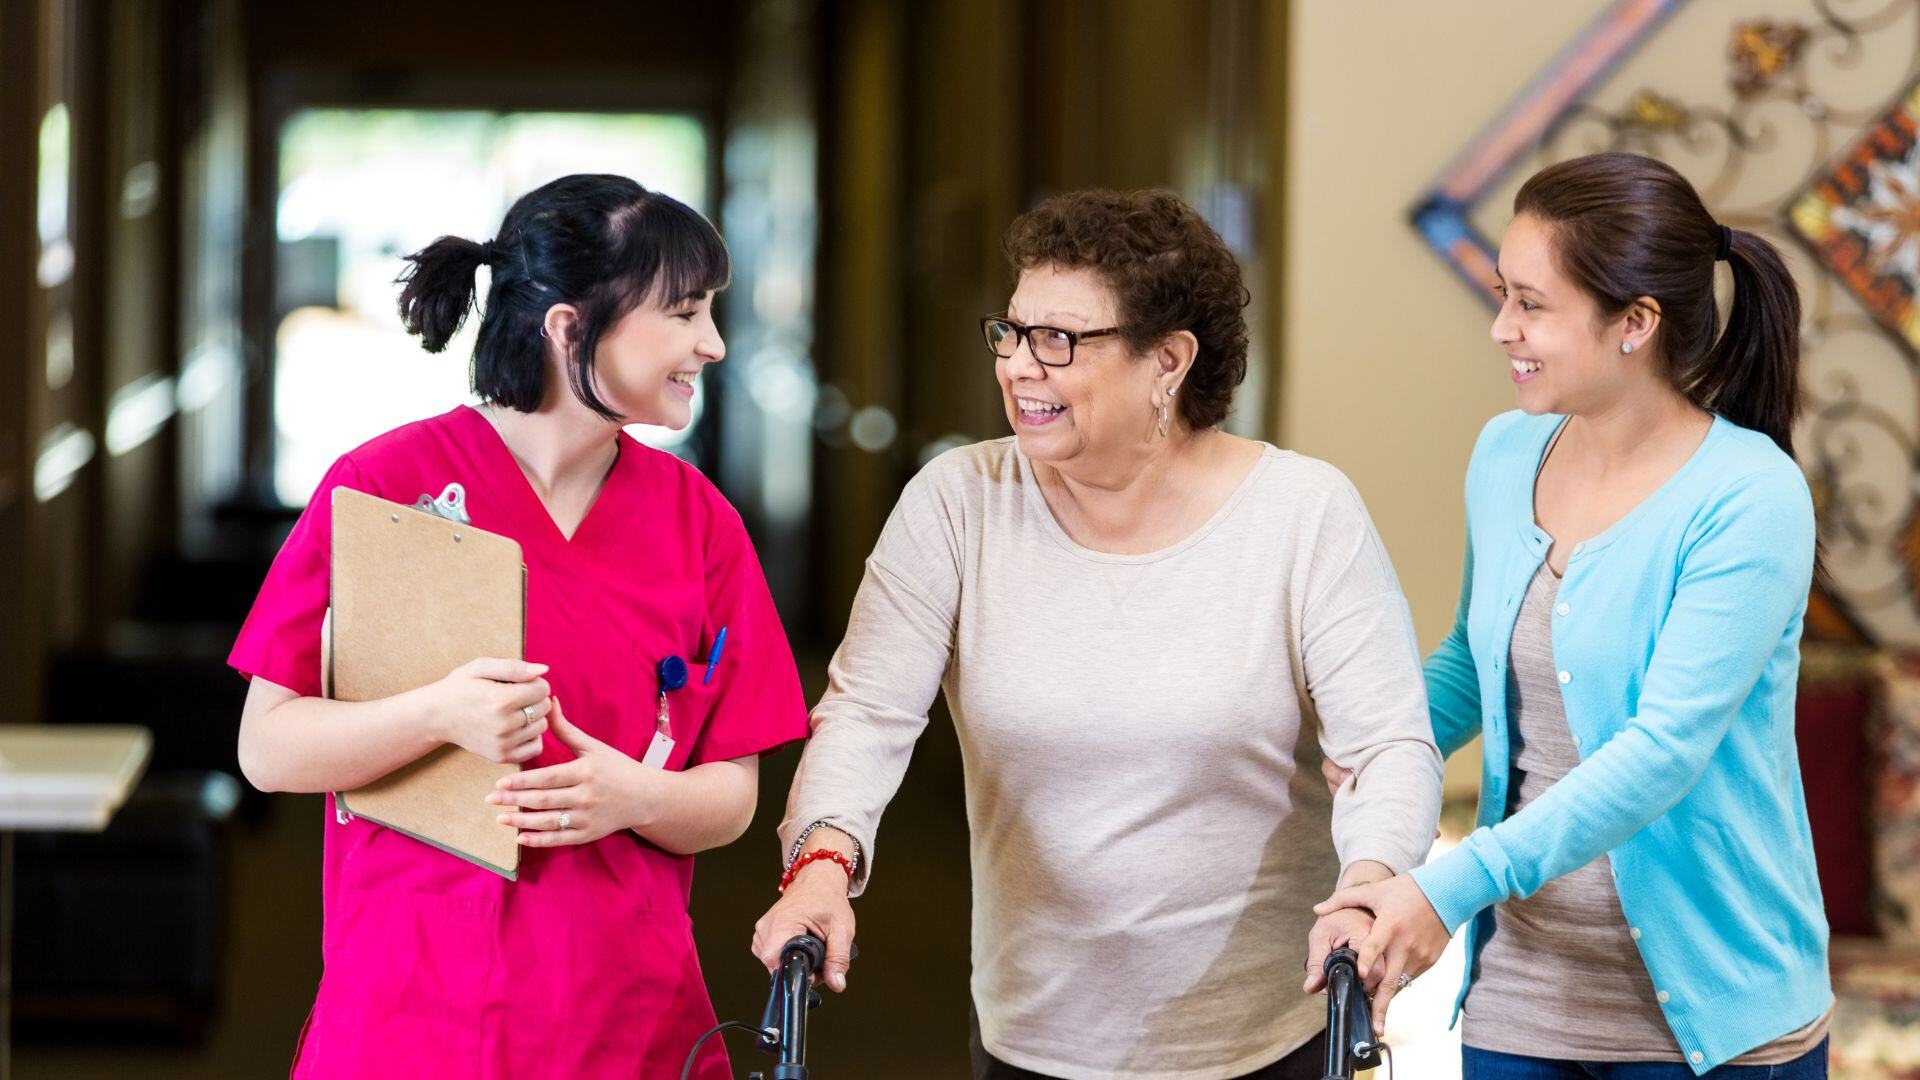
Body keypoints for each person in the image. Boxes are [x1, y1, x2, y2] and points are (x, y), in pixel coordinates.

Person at [751, 188, 1444, 1080]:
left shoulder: (1302, 514)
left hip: (1264, 1037)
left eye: (1060, 341)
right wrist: (821, 866)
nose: (1020, 367)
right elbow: (867, 714)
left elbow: (1388, 742)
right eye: (1012, 331)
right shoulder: (959, 503)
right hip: (1035, 1035)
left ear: (1169, 360)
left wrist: (1371, 883)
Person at [230, 174, 808, 1079]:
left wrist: (638, 798)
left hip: (629, 1019)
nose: (714, 344)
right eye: (686, 313)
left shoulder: (701, 526)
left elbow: (733, 793)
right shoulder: (383, 490)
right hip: (414, 1017)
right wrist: (437, 715)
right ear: (569, 327)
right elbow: (267, 749)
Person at [1316, 153, 1832, 1077]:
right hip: (1527, 999)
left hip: (1720, 1021)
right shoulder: (1508, 452)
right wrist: (1377, 741)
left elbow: (1661, 751)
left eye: (1531, 303)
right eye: (1503, 295)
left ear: (1636, 322)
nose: (1501, 328)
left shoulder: (1751, 498)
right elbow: (1475, 664)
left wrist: (1449, 886)